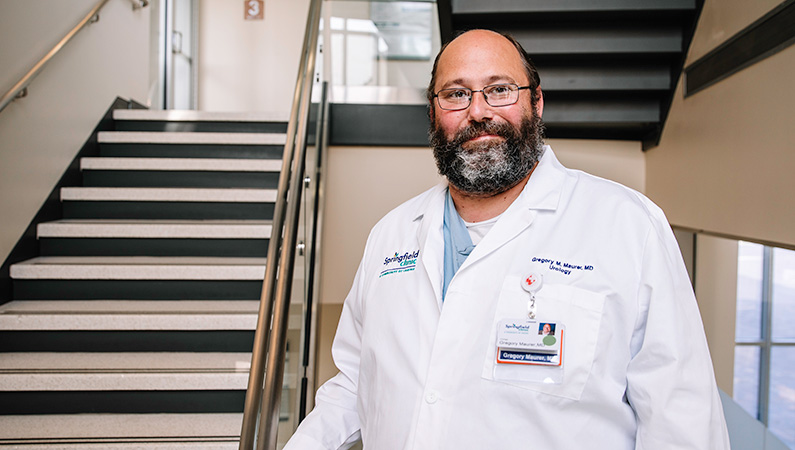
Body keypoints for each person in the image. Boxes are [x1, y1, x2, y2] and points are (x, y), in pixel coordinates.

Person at [284, 29, 729, 449]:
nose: (478, 111)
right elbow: (354, 381)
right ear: (433, 113)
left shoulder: (629, 227)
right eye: (456, 94)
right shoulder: (392, 233)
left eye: (499, 89)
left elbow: (682, 421)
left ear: (536, 103)